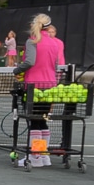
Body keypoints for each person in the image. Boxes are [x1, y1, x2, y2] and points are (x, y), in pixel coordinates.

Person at [18, 14, 66, 167]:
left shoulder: (32, 41)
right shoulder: (54, 43)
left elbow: (29, 62)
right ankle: (44, 157)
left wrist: (17, 70)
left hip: (34, 86)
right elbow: (56, 65)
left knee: (34, 121)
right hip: (50, 85)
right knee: (43, 120)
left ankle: (35, 157)